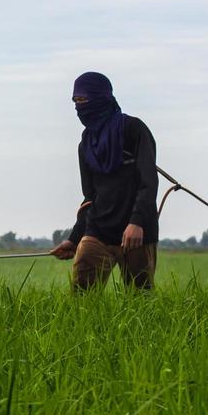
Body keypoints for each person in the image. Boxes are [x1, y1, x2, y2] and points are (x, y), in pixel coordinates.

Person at [49, 72, 159, 290]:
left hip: (136, 234)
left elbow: (148, 182)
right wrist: (74, 238)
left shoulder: (133, 130)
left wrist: (136, 223)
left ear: (102, 97)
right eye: (75, 101)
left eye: (84, 100)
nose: (79, 107)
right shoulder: (86, 144)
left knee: (140, 300)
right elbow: (89, 197)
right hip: (98, 231)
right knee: (81, 298)